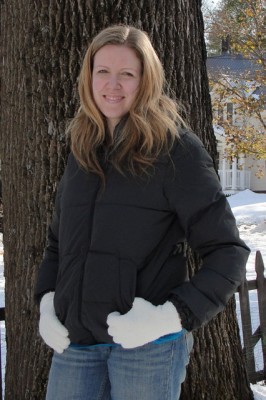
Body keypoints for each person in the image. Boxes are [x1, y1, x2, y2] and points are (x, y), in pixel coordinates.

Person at [35, 25, 250, 400]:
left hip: (147, 350)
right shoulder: (82, 150)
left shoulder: (175, 151)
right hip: (76, 345)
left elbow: (228, 254)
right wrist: (46, 303)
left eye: (127, 74)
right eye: (102, 71)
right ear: (89, 77)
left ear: (146, 80)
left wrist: (170, 317)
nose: (112, 84)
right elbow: (58, 245)